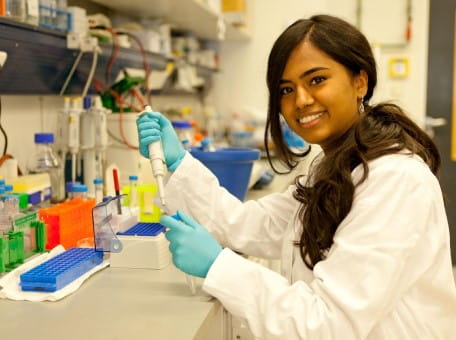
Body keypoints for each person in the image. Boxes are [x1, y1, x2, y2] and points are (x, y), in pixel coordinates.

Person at [137, 14, 456, 339]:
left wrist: (218, 266)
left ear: (360, 81)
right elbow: (245, 224)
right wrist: (178, 162)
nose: (300, 100)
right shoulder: (333, 167)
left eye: (316, 80)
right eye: (286, 89)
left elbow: (327, 325)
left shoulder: (395, 181)